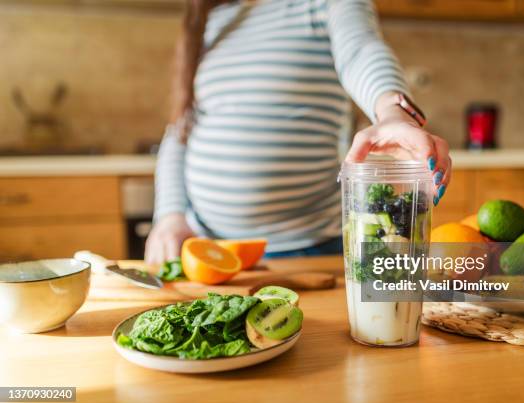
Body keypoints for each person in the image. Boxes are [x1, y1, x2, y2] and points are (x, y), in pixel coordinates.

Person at [145, 0, 451, 264]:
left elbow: (361, 50)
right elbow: (180, 132)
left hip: (307, 250)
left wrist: (392, 112)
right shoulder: (215, 22)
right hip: (211, 251)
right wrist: (169, 215)